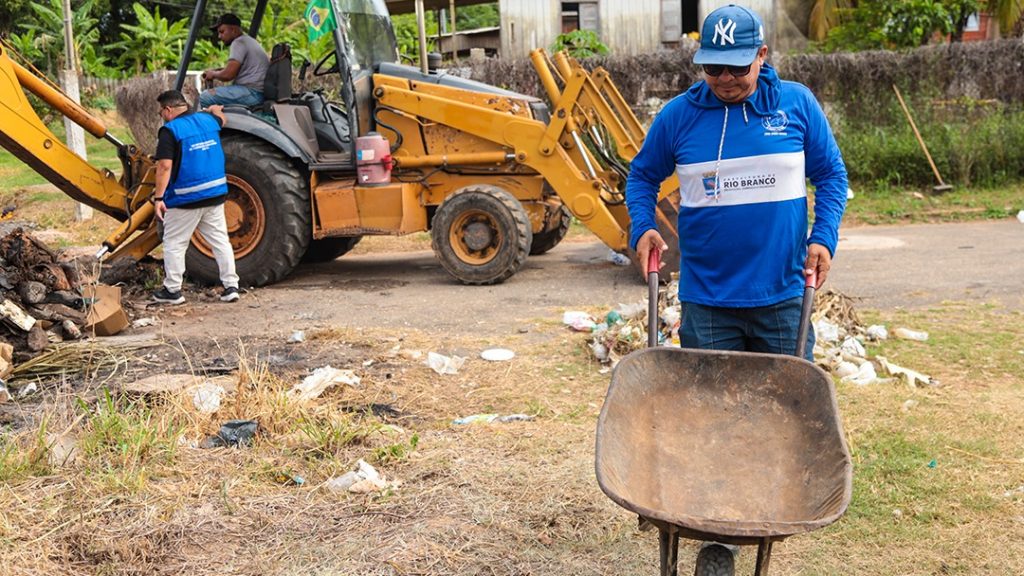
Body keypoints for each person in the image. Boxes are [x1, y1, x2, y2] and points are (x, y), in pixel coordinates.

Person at [626, 4, 848, 361]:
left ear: (762, 55)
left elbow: (831, 174)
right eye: (713, 68)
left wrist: (823, 236)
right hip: (707, 302)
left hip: (783, 297)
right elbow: (642, 175)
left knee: (787, 396)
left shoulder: (797, 104)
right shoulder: (678, 117)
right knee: (710, 397)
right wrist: (642, 227)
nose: (725, 79)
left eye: (738, 67)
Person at [151, 89, 240, 304]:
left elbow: (164, 166)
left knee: (174, 243)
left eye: (161, 112)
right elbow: (222, 119)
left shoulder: (170, 131)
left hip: (185, 198)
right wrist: (215, 109)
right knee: (220, 241)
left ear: (168, 109)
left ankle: (173, 290)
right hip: (215, 194)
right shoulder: (208, 120)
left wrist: (159, 198)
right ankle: (231, 286)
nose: (162, 116)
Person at [199, 13, 269, 108]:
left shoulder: (239, 42)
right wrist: (218, 71)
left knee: (205, 97)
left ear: (233, 30)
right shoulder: (249, 41)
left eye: (222, 32)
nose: (219, 36)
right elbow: (234, 69)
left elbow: (228, 75)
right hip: (256, 92)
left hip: (252, 93)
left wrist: (213, 74)